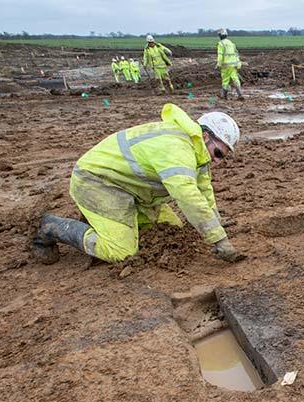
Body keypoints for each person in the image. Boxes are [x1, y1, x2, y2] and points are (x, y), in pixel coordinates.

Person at [31, 104, 242, 265]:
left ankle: (105, 222)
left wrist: (217, 220)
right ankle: (53, 227)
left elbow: (204, 191)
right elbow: (188, 196)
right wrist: (219, 240)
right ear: (205, 136)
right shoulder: (176, 147)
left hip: (133, 191)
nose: (217, 161)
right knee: (121, 252)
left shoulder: (198, 152)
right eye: (218, 153)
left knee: (172, 230)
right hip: (98, 182)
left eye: (222, 157)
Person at [216, 28, 244, 100]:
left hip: (225, 66)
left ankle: (224, 96)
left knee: (225, 80)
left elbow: (220, 55)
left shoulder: (221, 44)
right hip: (234, 65)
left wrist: (218, 64)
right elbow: (236, 55)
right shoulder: (232, 44)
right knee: (235, 79)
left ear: (219, 35)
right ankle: (240, 94)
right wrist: (239, 64)